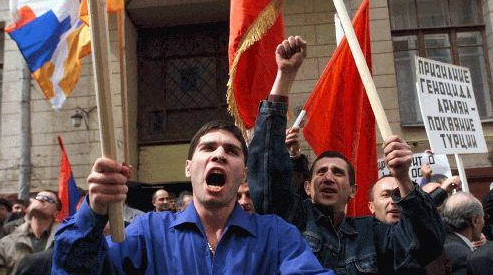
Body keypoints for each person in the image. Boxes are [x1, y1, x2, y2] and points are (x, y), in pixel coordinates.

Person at [52, 36, 333, 275]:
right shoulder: (149, 233)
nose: (220, 155)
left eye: (232, 151)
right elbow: (76, 268)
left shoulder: (275, 235)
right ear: (188, 168)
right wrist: (95, 210)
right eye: (208, 148)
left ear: (244, 173)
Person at [247, 36, 445, 275]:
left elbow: (425, 245)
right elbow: (267, 170)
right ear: (308, 188)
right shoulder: (291, 219)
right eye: (321, 172)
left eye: (338, 173)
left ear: (353, 191)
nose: (329, 177)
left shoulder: (372, 233)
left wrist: (403, 177)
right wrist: (285, 76)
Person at [0, 191, 61, 275]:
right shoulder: (5, 243)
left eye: (48, 199)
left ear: (56, 214)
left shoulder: (64, 241)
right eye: (38, 198)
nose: (41, 200)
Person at [441, 192, 488, 275]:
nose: (484, 222)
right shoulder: (463, 257)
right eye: (483, 217)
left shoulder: (444, 240)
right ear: (475, 221)